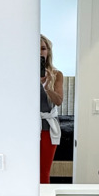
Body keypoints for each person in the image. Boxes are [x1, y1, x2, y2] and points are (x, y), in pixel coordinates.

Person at [40, 34, 64, 183]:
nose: (40, 52)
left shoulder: (56, 74)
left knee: (43, 172)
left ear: (48, 51)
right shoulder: (21, 73)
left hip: (47, 128)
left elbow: (59, 101)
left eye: (43, 48)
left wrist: (47, 86)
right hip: (25, 127)